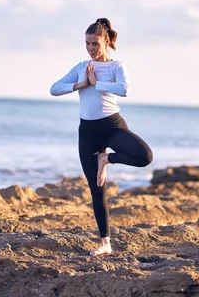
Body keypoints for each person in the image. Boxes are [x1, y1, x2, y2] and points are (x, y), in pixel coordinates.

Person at [50, 18, 153, 257]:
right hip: (87, 132)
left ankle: (106, 159)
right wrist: (81, 83)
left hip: (112, 125)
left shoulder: (117, 67)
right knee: (97, 190)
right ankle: (105, 242)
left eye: (95, 43)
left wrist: (97, 84)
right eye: (87, 43)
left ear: (106, 41)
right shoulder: (81, 66)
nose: (91, 48)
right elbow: (54, 89)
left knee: (144, 156)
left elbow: (125, 90)